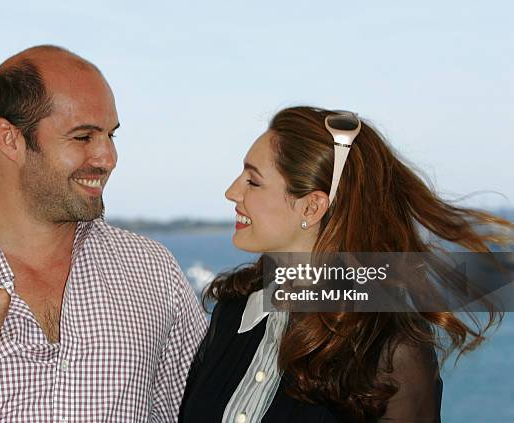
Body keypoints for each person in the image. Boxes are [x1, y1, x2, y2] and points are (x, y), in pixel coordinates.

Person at [0, 45, 207, 422]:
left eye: (111, 135)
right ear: (10, 139)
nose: (107, 158)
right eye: (83, 138)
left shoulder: (152, 272)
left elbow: (203, 410)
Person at [179, 106, 513, 422]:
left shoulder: (389, 346)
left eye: (253, 181)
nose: (231, 192)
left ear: (312, 207)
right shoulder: (232, 312)